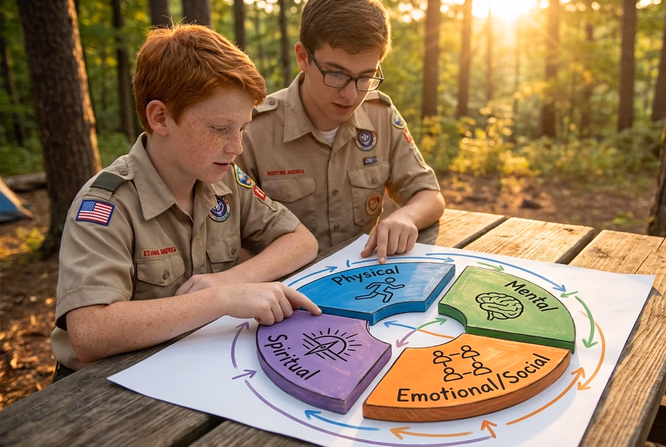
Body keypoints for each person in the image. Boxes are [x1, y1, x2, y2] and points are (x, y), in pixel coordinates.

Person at [50, 24, 321, 380]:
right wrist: (222, 300)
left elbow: (301, 241)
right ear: (160, 118)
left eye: (241, 128)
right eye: (220, 129)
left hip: (195, 369)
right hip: (103, 391)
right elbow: (89, 331)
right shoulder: (107, 204)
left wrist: (233, 279)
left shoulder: (223, 179)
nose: (236, 146)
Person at [237, 0, 445, 265]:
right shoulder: (252, 130)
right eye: (336, 74)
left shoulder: (379, 115)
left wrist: (405, 217)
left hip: (364, 282)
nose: (351, 94)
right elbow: (224, 236)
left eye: (365, 76)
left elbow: (429, 194)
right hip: (282, 292)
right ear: (303, 57)